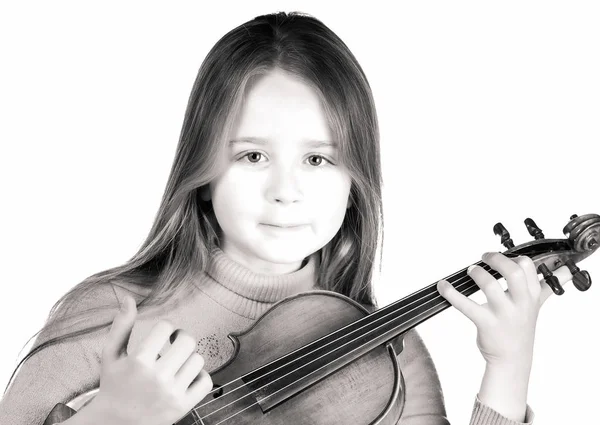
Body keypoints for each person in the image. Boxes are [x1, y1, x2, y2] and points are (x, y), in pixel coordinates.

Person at [0, 11, 575, 425]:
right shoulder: (107, 316)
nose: (285, 191)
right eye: (252, 156)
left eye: (318, 159)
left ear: (356, 184)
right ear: (202, 172)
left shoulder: (389, 359)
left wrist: (508, 367)